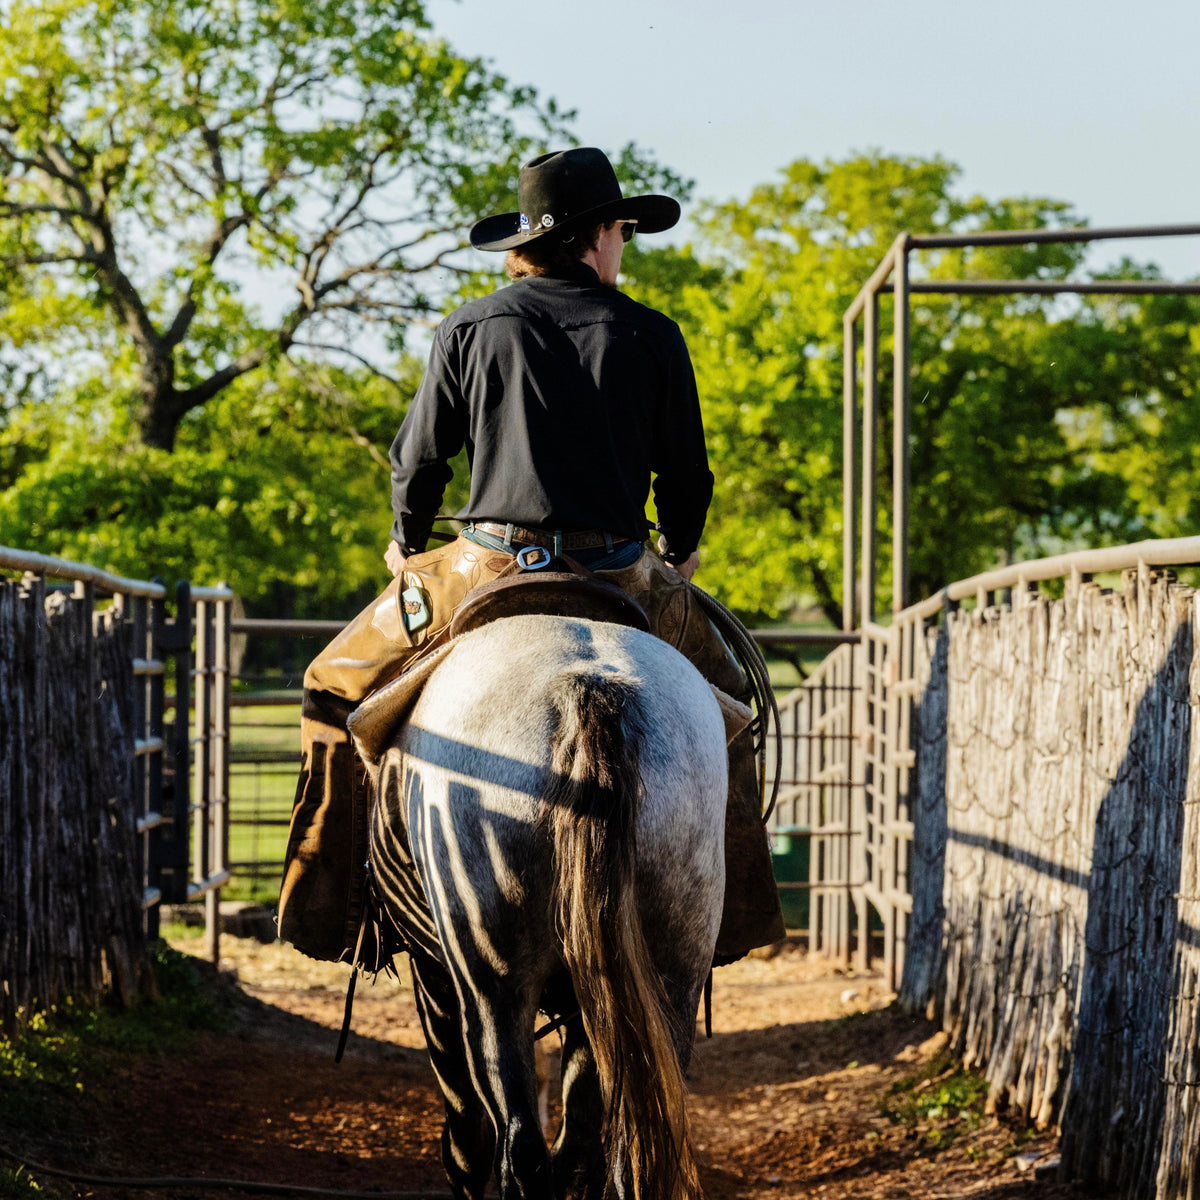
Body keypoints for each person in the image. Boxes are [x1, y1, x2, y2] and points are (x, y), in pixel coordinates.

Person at [278, 147, 784, 967]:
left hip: (485, 565)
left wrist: (409, 546)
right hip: (623, 571)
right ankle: (725, 919)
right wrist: (682, 550)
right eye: (623, 230)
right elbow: (686, 472)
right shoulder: (654, 334)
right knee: (730, 705)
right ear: (599, 236)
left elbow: (418, 463)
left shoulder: (469, 327)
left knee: (333, 683)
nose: (624, 247)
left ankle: (334, 910)